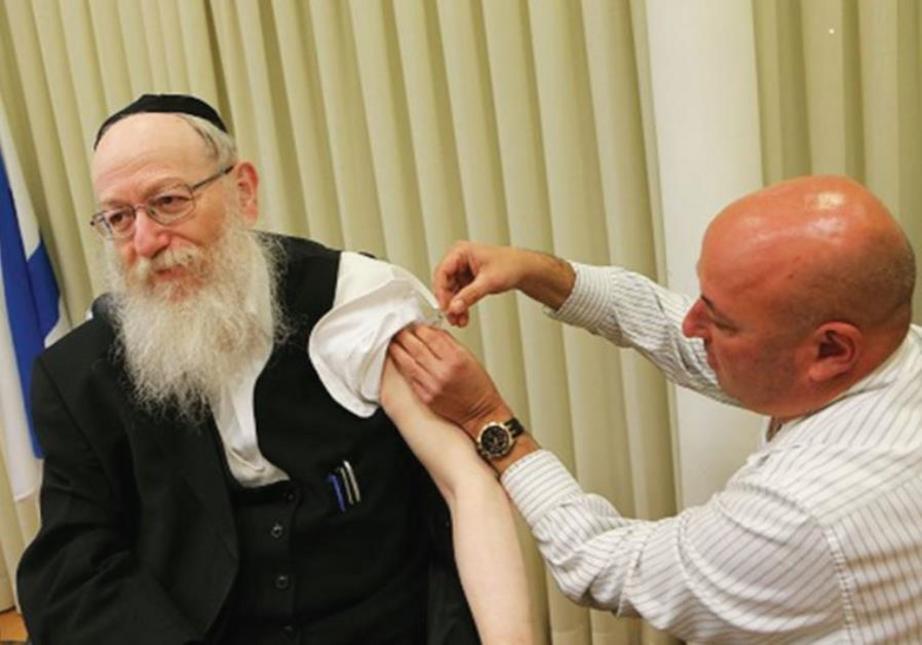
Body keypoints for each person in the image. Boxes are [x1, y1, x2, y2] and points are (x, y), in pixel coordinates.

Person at [17, 94, 532, 644]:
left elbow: (465, 485)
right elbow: (73, 568)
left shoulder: (353, 303)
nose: (145, 241)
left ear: (243, 192)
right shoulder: (77, 377)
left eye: (168, 201)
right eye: (119, 218)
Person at [390, 175, 922, 642]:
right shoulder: (891, 353)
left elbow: (606, 566)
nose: (692, 325)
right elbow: (687, 338)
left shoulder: (809, 510)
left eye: (721, 321)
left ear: (831, 350)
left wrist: (487, 417)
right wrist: (534, 271)